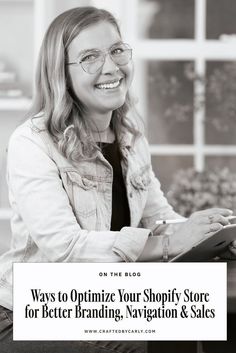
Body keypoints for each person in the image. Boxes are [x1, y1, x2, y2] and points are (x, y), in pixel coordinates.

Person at [0, 6, 235, 353]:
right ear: (60, 74)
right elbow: (64, 248)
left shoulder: (130, 136)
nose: (111, 67)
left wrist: (212, 232)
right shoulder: (32, 142)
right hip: (31, 310)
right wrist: (167, 245)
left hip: (104, 300)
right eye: (89, 58)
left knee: (216, 320)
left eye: (116, 51)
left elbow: (159, 219)